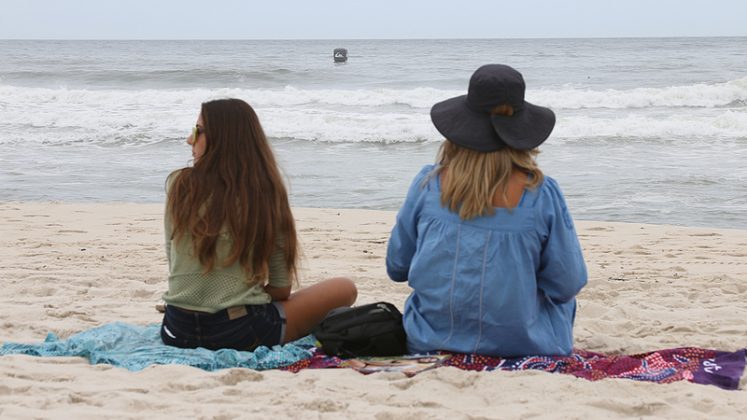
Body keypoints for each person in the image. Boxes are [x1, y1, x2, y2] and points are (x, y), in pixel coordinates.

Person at [386, 64, 587, 357]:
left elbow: (397, 266)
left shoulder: (427, 184)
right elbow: (567, 283)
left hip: (430, 339)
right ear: (521, 129)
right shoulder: (541, 194)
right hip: (522, 345)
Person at [160, 98, 357, 351]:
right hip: (240, 333)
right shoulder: (264, 192)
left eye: (197, 130)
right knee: (345, 288)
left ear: (222, 138)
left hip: (177, 330)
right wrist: (244, 292)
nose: (190, 139)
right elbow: (281, 287)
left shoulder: (179, 184)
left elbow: (173, 260)